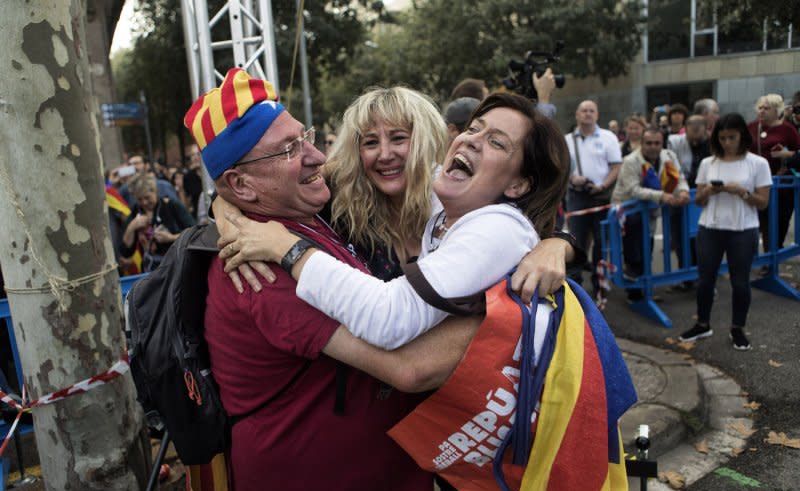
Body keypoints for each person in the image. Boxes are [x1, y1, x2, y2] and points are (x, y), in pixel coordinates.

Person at [186, 69, 491, 491]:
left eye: (304, 136)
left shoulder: (310, 214)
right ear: (242, 184)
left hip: (396, 468)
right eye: (290, 149)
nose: (315, 156)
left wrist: (551, 245)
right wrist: (505, 303)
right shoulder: (260, 264)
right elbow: (409, 368)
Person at [219, 91, 570, 352]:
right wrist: (225, 216)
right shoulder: (337, 206)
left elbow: (520, 224)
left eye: (400, 138)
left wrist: (556, 244)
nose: (385, 154)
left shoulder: (454, 199)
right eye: (370, 142)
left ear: (429, 140)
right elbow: (244, 187)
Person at [678, 113, 771, 351]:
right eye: (722, 138)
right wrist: (709, 191)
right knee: (705, 279)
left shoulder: (758, 163)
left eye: (732, 137)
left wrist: (742, 192)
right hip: (710, 227)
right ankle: (702, 323)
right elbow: (697, 200)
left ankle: (737, 328)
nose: (727, 143)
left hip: (743, 228)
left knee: (740, 282)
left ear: (742, 136)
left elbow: (763, 202)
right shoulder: (709, 163)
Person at [612, 127, 689, 301]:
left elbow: (680, 178)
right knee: (636, 252)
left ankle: (645, 290)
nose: (653, 147)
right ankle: (634, 290)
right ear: (641, 143)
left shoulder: (669, 156)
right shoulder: (630, 160)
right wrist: (664, 196)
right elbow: (633, 190)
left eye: (657, 143)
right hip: (628, 212)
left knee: (649, 248)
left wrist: (683, 191)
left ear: (662, 144)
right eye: (649, 143)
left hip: (652, 210)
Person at [565, 100, 622, 302]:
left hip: (601, 197)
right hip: (577, 196)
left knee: (601, 242)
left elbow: (616, 167)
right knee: (575, 243)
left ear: (597, 115)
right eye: (584, 111)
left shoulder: (608, 137)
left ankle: (600, 286)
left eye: (591, 111)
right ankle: (574, 286)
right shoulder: (567, 140)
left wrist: (603, 185)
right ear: (577, 115)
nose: (588, 114)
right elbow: (562, 169)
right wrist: (572, 178)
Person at [747, 93, 800, 250]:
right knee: (758, 223)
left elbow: (798, 154)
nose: (762, 111)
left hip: (782, 186)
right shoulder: (751, 127)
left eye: (767, 108)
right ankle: (757, 259)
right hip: (757, 185)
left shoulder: (787, 129)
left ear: (777, 110)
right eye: (760, 107)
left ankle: (772, 260)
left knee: (778, 224)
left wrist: (786, 154)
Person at [668, 114, 712, 284]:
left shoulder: (711, 145)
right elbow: (673, 167)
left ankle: (703, 276)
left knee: (701, 240)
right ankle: (685, 275)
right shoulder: (677, 142)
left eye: (698, 132)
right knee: (679, 238)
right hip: (681, 197)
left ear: (705, 129)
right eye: (690, 132)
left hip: (702, 198)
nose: (694, 137)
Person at [120, 173, 195, 272]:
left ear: (155, 191)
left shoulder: (171, 205)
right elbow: (126, 252)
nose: (144, 203)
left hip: (178, 265)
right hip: (151, 269)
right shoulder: (136, 212)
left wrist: (171, 238)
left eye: (147, 197)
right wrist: (131, 227)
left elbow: (195, 232)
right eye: (139, 199)